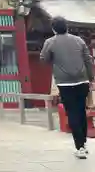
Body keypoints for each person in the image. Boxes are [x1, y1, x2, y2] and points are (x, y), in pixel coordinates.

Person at [40, 16, 94, 159]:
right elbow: (88, 60)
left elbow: (43, 59)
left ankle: (80, 147)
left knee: (72, 113)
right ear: (67, 27)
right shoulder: (79, 40)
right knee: (81, 110)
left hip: (65, 83)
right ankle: (83, 142)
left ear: (53, 29)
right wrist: (91, 79)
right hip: (82, 81)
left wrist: (54, 58)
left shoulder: (50, 42)